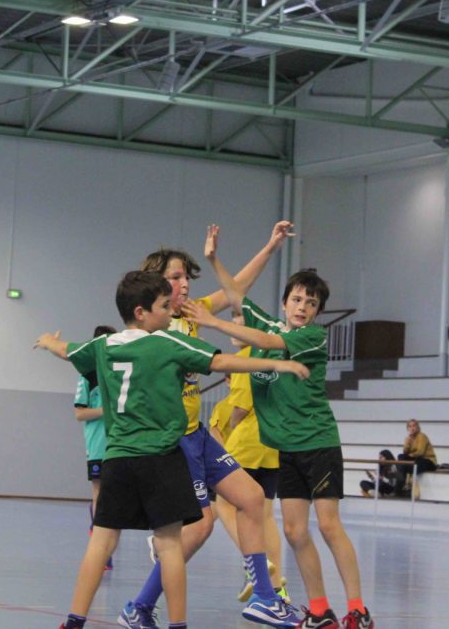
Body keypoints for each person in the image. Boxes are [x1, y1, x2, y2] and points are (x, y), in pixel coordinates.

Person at [35, 270, 311, 629]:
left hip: (118, 459)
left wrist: (47, 341)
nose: (171, 312)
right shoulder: (167, 343)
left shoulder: (103, 346)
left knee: (100, 543)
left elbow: (67, 350)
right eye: (165, 306)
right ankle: (175, 624)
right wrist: (275, 362)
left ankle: (73, 623)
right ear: (141, 312)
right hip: (160, 459)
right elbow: (221, 362)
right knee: (170, 547)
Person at [184, 226, 375, 629]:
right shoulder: (272, 326)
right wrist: (215, 258)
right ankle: (320, 610)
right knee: (293, 531)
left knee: (328, 525)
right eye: (297, 299)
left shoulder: (311, 338)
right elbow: (235, 295)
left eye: (311, 303)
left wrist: (213, 323)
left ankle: (358, 609)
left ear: (317, 312)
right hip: (286, 450)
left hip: (318, 443)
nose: (303, 307)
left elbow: (266, 342)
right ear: (285, 302)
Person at [122, 221, 303, 629]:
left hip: (198, 434)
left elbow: (236, 287)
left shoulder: (192, 312)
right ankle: (139, 607)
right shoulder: (150, 329)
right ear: (155, 284)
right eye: (175, 277)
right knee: (200, 526)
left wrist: (271, 246)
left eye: (187, 276)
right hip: (173, 442)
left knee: (252, 498)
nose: (184, 284)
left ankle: (263, 597)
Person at [208, 328, 293, 606]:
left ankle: (254, 561)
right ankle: (278, 589)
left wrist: (234, 425)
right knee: (266, 515)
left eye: (238, 317)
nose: (233, 324)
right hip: (272, 445)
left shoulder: (245, 358)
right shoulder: (276, 356)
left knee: (224, 503)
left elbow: (241, 408)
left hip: (246, 444)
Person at [75, 324, 118, 569]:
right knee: (100, 493)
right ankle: (101, 551)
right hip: (98, 444)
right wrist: (106, 410)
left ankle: (106, 545)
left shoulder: (119, 374)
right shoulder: (87, 377)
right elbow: (80, 414)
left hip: (121, 442)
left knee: (116, 495)